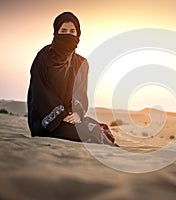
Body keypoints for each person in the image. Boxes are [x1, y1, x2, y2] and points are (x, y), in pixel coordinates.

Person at [27, 11, 117, 146]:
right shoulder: (43, 58)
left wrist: (77, 114)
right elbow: (40, 94)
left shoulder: (81, 63)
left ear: (78, 35)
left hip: (71, 118)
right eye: (63, 31)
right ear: (56, 32)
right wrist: (61, 115)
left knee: (102, 130)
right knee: (90, 132)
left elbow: (80, 95)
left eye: (72, 31)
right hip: (47, 123)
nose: (67, 35)